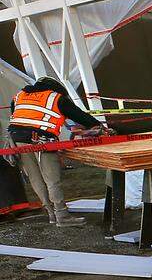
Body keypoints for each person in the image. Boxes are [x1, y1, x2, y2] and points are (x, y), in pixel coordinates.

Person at [7, 76, 109, 226]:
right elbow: (80, 116)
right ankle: (62, 216)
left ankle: (51, 214)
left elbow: (16, 117)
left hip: (17, 139)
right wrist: (100, 127)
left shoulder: (19, 96)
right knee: (51, 179)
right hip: (41, 140)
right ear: (56, 88)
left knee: (35, 178)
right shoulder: (56, 98)